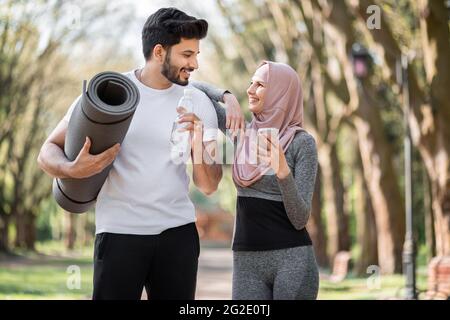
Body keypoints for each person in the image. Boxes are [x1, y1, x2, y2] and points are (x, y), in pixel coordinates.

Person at [37, 7, 223, 300]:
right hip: (118, 233)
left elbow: (210, 186)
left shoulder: (198, 102)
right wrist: (72, 169)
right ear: (159, 52)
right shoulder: (110, 92)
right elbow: (47, 150)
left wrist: (198, 145)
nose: (195, 63)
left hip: (177, 235)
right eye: (187, 55)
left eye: (196, 54)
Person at [193, 61, 319, 300]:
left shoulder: (303, 143)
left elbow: (300, 218)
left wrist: (283, 172)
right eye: (251, 82)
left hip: (292, 260)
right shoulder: (241, 132)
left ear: (281, 93)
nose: (250, 89)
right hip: (246, 262)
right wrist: (227, 96)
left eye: (260, 84)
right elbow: (193, 88)